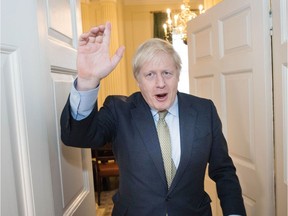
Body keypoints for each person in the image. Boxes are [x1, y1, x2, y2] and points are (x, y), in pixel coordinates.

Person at [60, 21, 246, 216]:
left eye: (167, 73)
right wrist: (88, 80)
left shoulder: (204, 111)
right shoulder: (118, 111)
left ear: (178, 75)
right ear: (138, 80)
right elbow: (76, 137)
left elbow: (224, 171)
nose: (160, 84)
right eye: (150, 75)